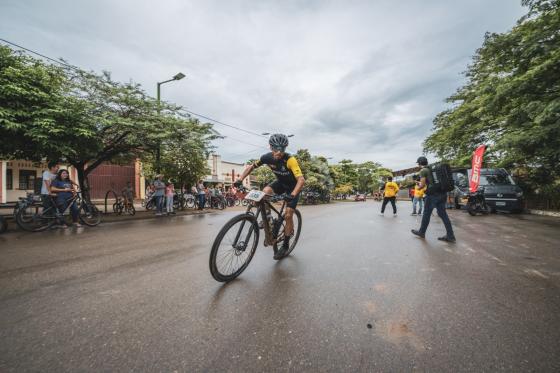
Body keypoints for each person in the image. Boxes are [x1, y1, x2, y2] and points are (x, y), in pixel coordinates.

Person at [234, 133, 305, 259]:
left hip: (293, 187)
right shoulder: (266, 158)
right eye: (276, 149)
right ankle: (269, 219)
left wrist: (293, 194)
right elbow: (251, 167)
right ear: (271, 147)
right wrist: (240, 179)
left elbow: (301, 180)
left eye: (282, 149)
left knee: (288, 215)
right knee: (264, 192)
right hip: (281, 183)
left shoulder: (290, 160)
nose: (279, 152)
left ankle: (286, 244)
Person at [411, 156, 456, 242]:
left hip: (432, 195)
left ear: (419, 163)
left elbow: (423, 185)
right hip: (442, 193)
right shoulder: (431, 169)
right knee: (443, 214)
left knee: (426, 213)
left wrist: (418, 186)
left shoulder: (423, 170)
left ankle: (421, 232)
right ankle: (450, 235)